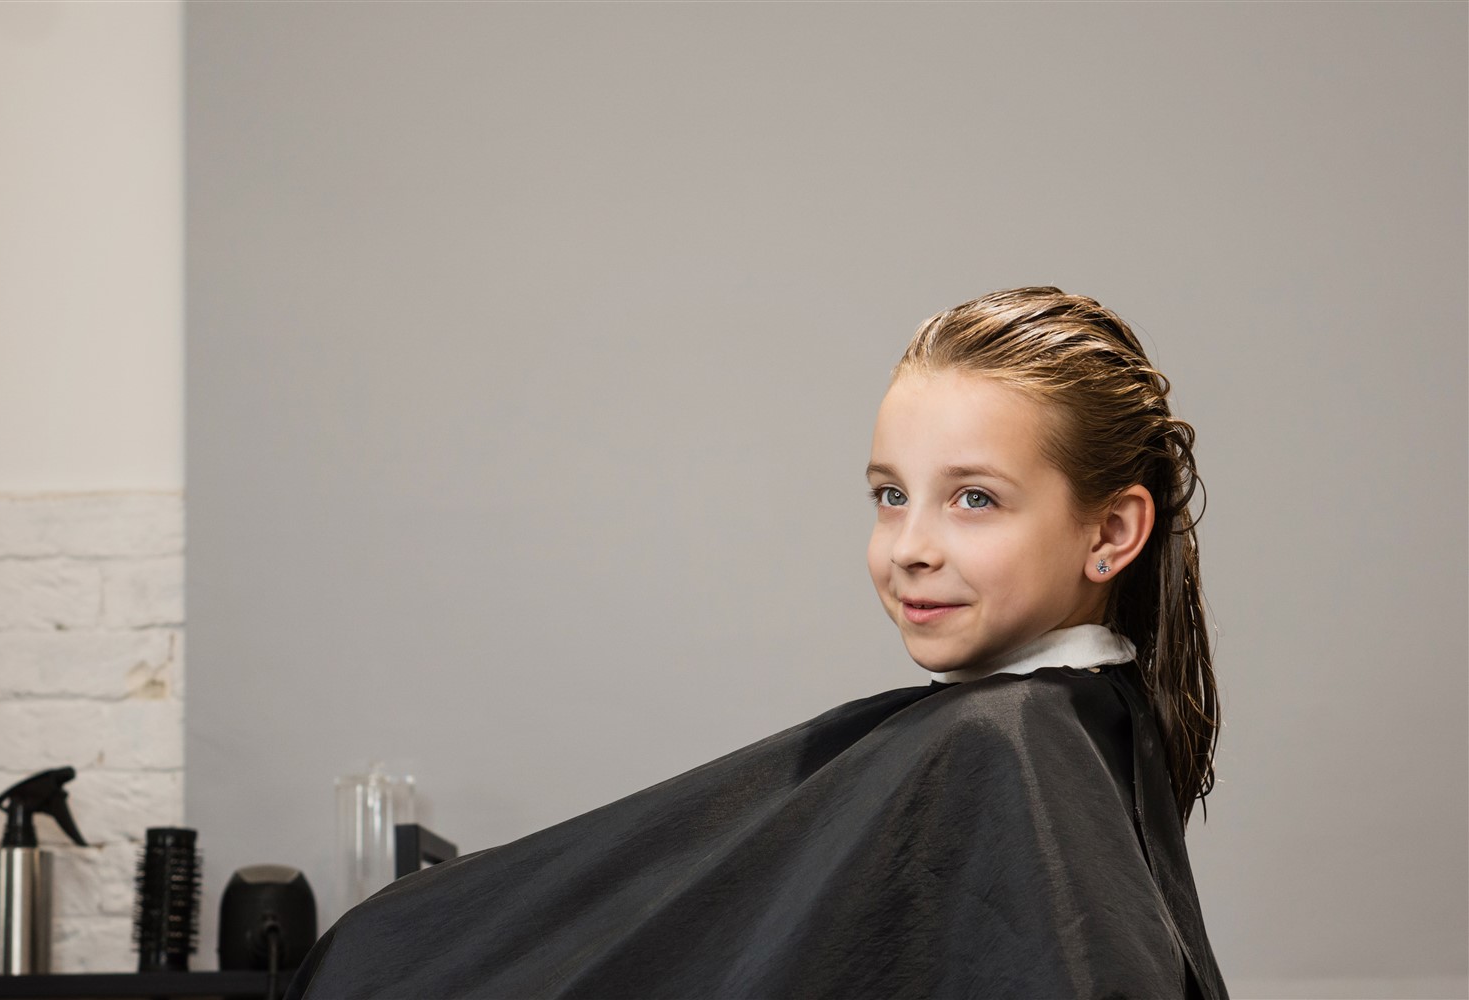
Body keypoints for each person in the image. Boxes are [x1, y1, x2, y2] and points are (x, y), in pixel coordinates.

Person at [288, 287, 1228, 999]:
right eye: (890, 495)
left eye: (974, 498)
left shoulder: (1005, 751)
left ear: (1111, 532)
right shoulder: (1070, 732)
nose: (909, 547)